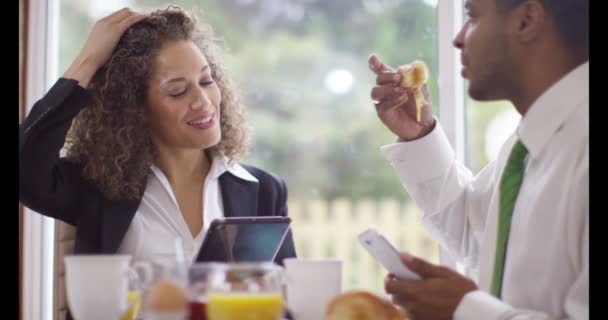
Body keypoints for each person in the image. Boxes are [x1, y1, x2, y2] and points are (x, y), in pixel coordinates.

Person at [19, 6, 296, 270]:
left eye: (206, 81)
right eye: (177, 91)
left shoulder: (265, 190)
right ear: (136, 108)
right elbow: (25, 170)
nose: (203, 102)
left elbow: (285, 302)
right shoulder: (98, 188)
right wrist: (88, 59)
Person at [368, 0, 588, 318]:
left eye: (472, 17)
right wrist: (419, 135)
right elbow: (479, 233)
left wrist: (467, 310)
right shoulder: (525, 144)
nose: (458, 38)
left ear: (527, 21)